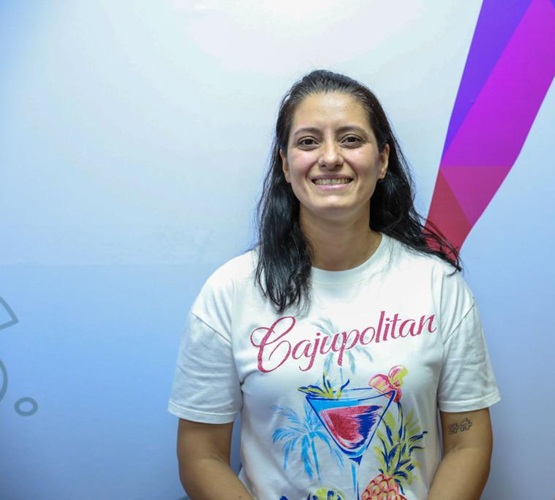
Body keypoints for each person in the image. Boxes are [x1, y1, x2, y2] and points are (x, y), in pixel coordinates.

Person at [169, 69, 500, 500]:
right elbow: (201, 456)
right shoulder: (230, 291)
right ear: (285, 165)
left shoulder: (438, 285)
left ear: (382, 160)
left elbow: (468, 442)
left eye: (350, 139)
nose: (329, 157)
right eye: (308, 142)